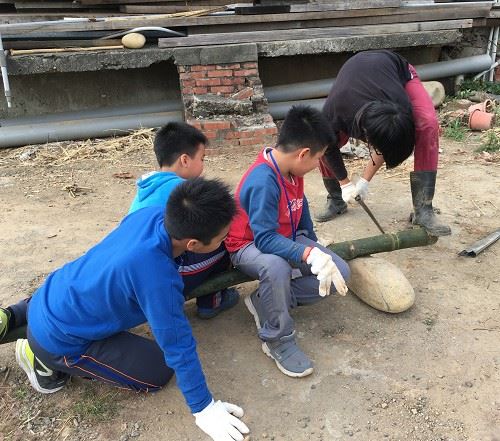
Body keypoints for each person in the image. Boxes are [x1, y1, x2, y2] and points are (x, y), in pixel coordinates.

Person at [1, 178, 249, 441]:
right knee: (158, 371)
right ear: (193, 244)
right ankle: (38, 355)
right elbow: (178, 345)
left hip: (54, 292)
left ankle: (20, 313)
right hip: (57, 340)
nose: (225, 239)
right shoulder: (158, 278)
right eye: (222, 237)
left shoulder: (151, 214)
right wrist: (204, 408)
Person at [225, 105, 351, 378]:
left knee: (339, 272)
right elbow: (265, 239)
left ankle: (266, 300)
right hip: (248, 245)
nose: (317, 165)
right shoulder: (263, 181)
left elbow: (300, 206)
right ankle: (277, 338)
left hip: (284, 236)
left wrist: (314, 246)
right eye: (318, 158)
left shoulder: (292, 169)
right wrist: (307, 255)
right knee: (277, 268)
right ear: (303, 154)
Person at [315, 49, 451, 237]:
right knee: (322, 141)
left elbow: (387, 141)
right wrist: (345, 184)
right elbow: (327, 147)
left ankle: (423, 210)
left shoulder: (400, 105)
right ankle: (336, 199)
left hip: (395, 70)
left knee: (427, 124)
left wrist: (364, 181)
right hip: (355, 80)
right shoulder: (335, 112)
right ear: (366, 132)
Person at [129, 122, 239, 319]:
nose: (203, 166)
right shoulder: (184, 194)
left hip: (140, 267)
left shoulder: (149, 186)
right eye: (202, 158)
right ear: (185, 160)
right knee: (224, 240)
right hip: (163, 273)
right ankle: (211, 303)